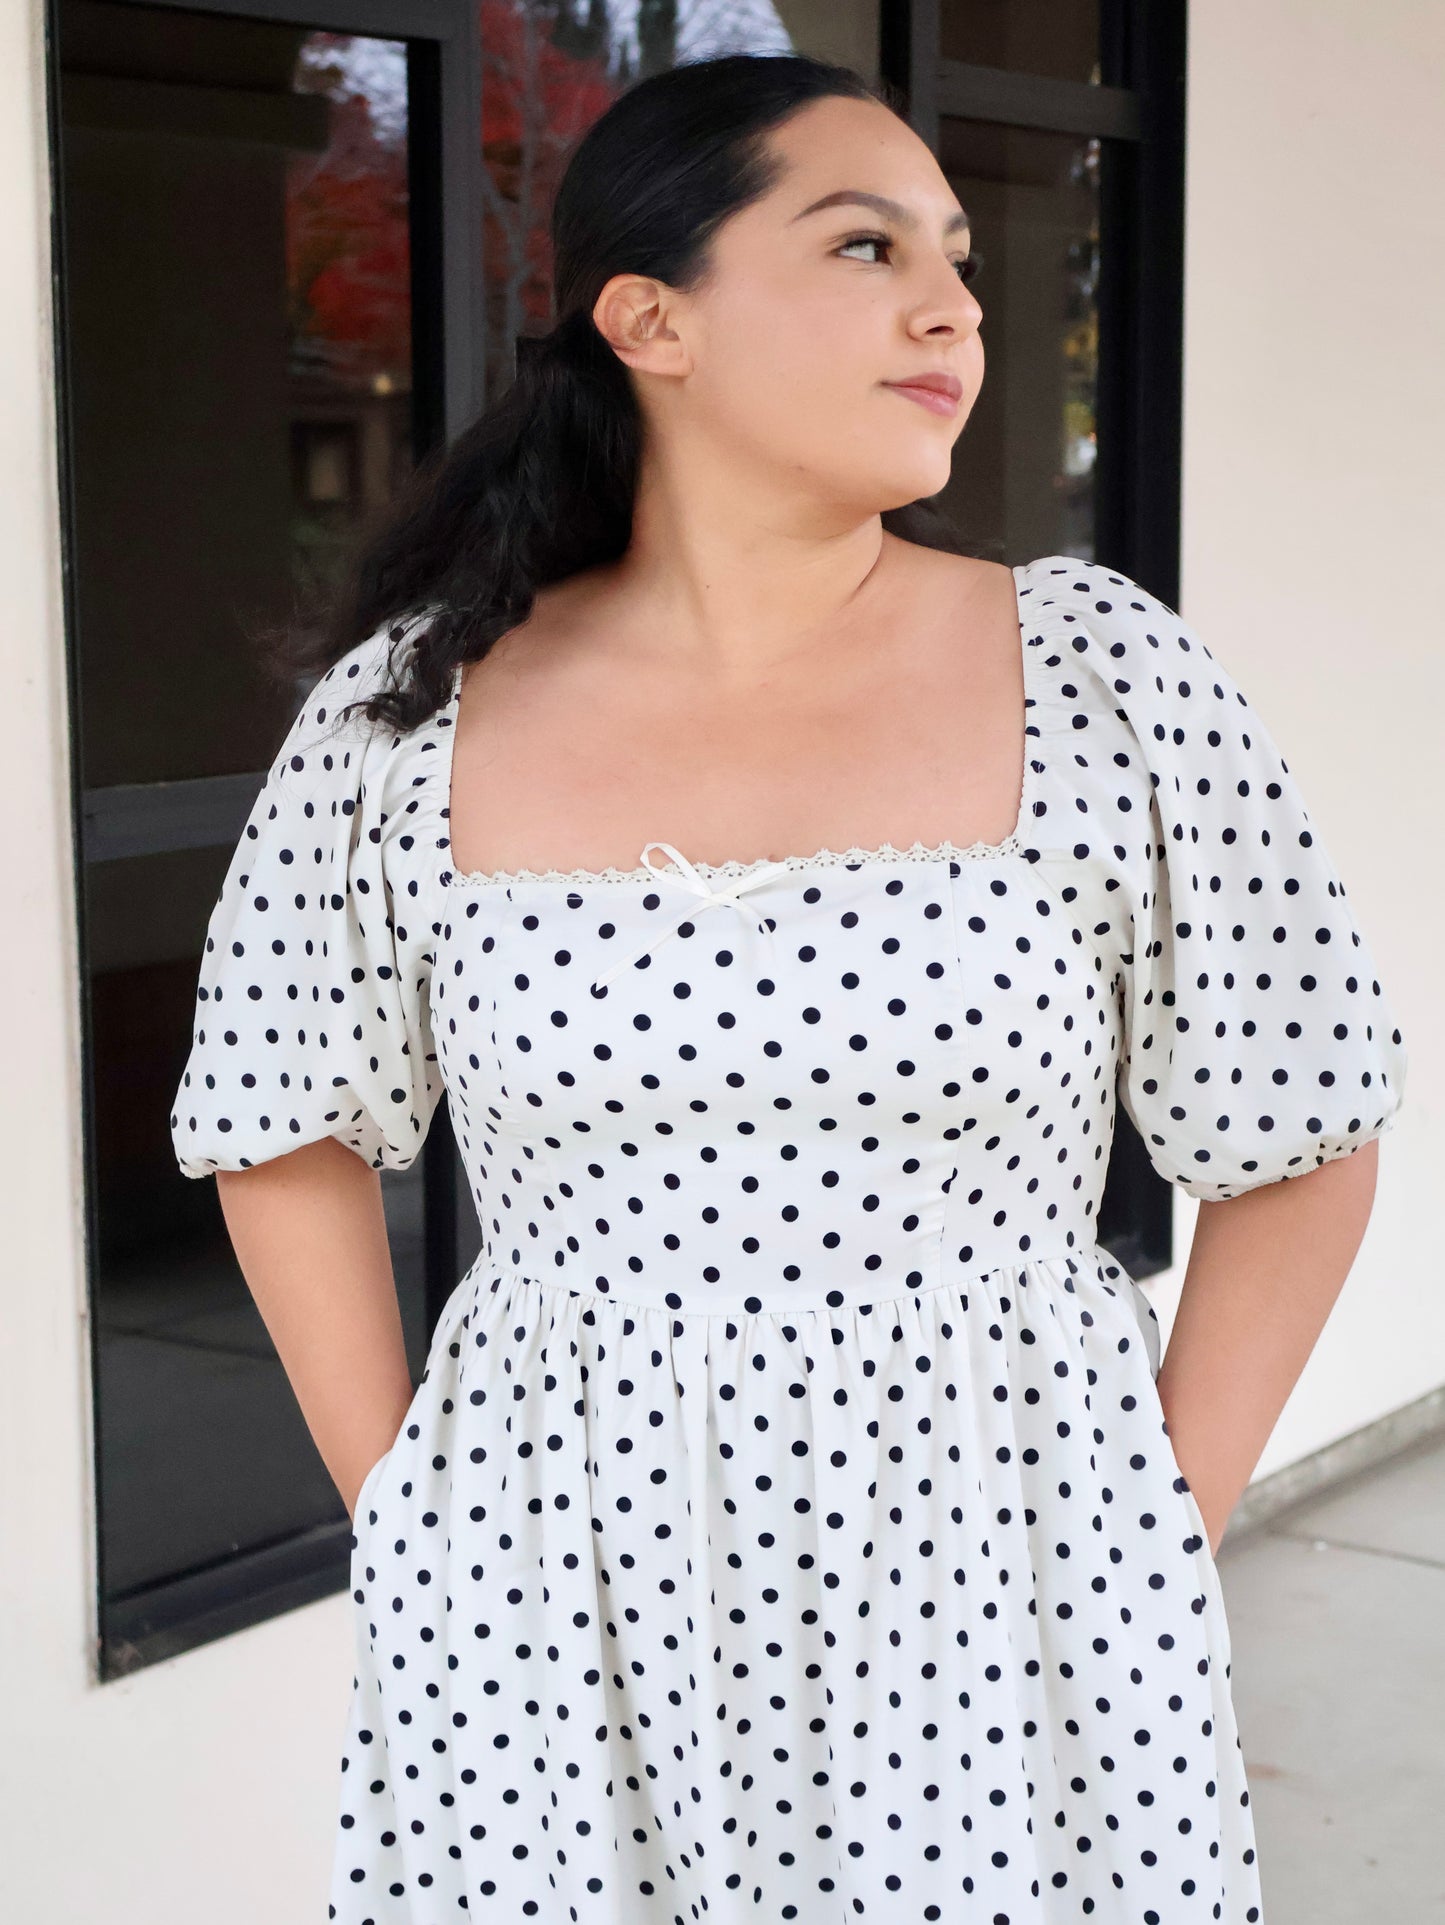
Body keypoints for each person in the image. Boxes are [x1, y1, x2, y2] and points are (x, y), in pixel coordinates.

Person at [170, 50, 1406, 1924]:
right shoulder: (410, 713)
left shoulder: (1096, 673)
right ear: (649, 316)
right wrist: (413, 1515)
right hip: (548, 1597)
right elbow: (278, 1120)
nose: (954, 306)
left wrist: (1160, 1517)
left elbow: (1300, 1127)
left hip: (1018, 1579)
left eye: (961, 258)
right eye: (862, 243)